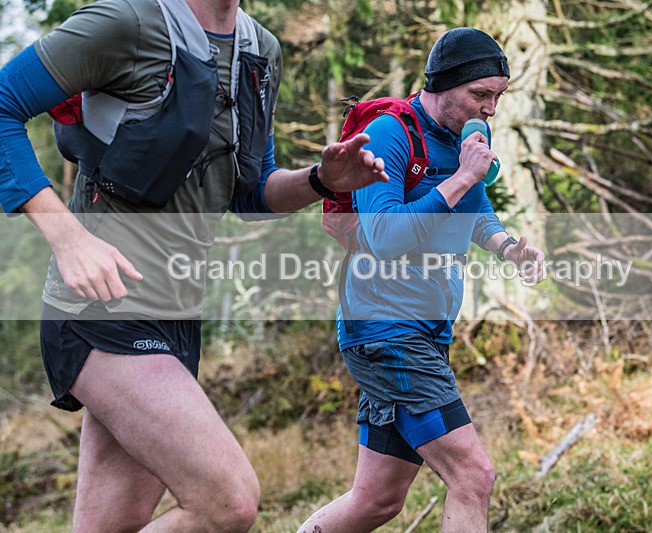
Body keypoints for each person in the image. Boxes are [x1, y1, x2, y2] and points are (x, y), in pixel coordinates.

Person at [0, 0, 388, 531]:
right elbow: (2, 102)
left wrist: (321, 182)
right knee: (227, 501)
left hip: (177, 312)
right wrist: (67, 237)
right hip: (101, 306)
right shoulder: (126, 22)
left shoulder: (260, 50)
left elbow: (250, 193)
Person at [299, 27, 545, 533]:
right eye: (481, 95)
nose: (490, 110)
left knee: (377, 500)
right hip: (385, 330)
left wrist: (507, 248)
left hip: (428, 330)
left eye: (498, 97)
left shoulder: (473, 133)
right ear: (444, 84)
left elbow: (473, 210)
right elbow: (384, 236)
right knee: (473, 476)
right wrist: (460, 178)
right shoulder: (391, 135)